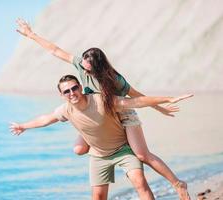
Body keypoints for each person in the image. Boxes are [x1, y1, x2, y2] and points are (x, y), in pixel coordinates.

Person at [15, 18, 190, 200]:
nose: (83, 67)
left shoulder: (115, 80)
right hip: (95, 113)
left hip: (122, 112)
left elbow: (137, 98)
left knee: (142, 154)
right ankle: (103, 145)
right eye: (82, 63)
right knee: (79, 149)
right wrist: (31, 35)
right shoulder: (81, 68)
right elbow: (55, 50)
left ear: (97, 66)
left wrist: (161, 107)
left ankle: (177, 183)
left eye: (87, 65)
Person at [9, 75, 193, 200]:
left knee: (139, 182)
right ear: (62, 95)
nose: (72, 93)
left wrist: (167, 99)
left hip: (123, 149)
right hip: (98, 155)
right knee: (97, 197)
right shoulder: (65, 109)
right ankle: (85, 133)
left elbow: (135, 102)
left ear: (80, 87)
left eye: (74, 88)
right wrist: (23, 126)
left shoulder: (101, 101)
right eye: (67, 91)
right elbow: (45, 119)